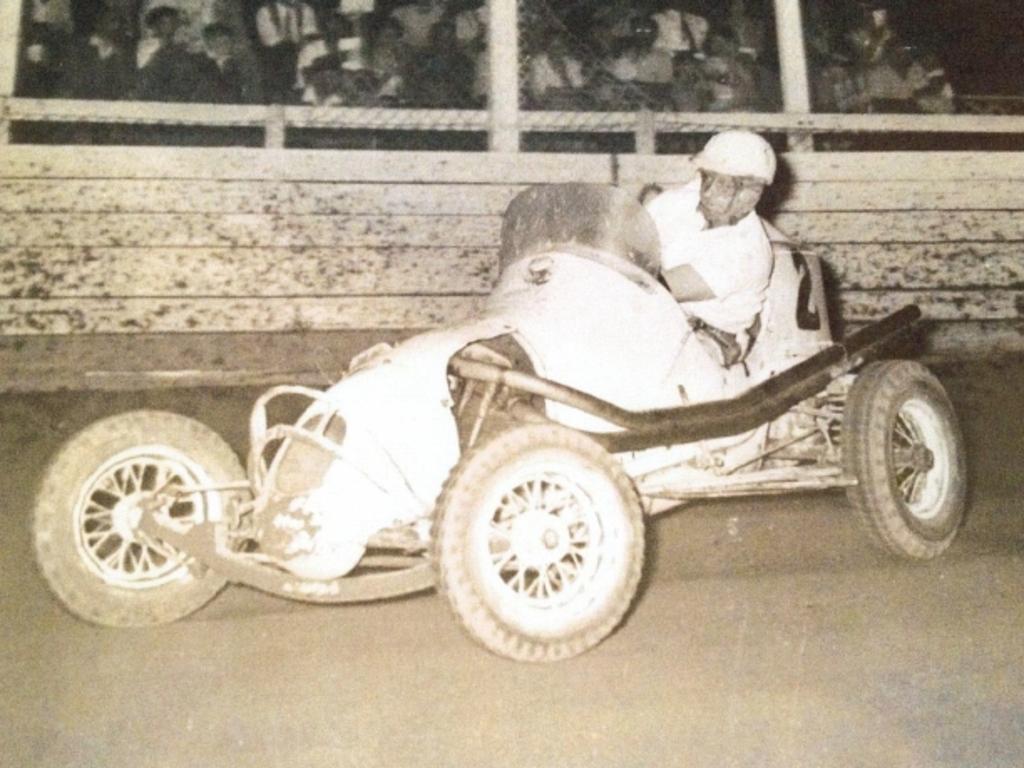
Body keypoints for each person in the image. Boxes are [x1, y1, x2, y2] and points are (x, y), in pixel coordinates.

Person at [644, 130, 776, 397]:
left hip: (710, 336)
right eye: (710, 177)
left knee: (647, 376)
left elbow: (658, 286)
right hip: (653, 314)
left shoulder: (747, 251)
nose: (717, 189)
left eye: (745, 185)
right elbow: (628, 236)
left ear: (756, 192)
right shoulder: (675, 203)